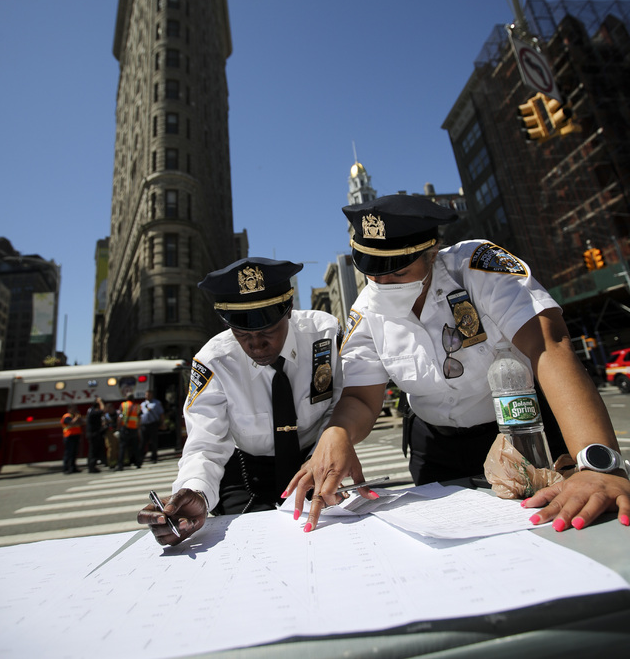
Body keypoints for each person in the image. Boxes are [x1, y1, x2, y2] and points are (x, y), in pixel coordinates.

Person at [287, 193, 630, 533]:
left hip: (520, 429)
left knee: (550, 528)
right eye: (372, 273)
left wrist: (598, 466)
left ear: (432, 253)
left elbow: (548, 346)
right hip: (436, 446)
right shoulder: (366, 310)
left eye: (400, 272)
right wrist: (338, 432)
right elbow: (361, 399)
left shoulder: (478, 266)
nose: (383, 284)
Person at [137, 257, 343, 546]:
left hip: (315, 459)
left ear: (288, 310)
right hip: (248, 472)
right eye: (242, 332)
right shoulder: (213, 362)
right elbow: (206, 444)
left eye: (267, 329)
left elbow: (339, 406)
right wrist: (194, 492)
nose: (255, 343)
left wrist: (325, 458)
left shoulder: (323, 336)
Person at [116, 392, 142, 470]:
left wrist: (118, 428)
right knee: (135, 447)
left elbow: (120, 417)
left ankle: (120, 465)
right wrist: (138, 427)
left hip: (125, 428)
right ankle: (138, 463)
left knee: (122, 447)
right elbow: (139, 418)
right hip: (134, 429)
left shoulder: (123, 405)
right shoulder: (137, 406)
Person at [140, 389, 164, 463]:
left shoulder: (156, 403)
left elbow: (161, 413)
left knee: (154, 441)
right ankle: (140, 457)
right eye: (146, 395)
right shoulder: (142, 404)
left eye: (149, 394)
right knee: (143, 441)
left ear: (152, 395)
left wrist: (163, 423)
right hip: (144, 425)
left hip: (153, 424)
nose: (147, 396)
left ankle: (154, 457)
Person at [85, 396, 106, 473]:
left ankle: (93, 465)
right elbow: (103, 410)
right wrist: (100, 402)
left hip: (94, 433)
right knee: (93, 451)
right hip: (93, 434)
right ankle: (91, 467)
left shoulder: (91, 410)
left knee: (95, 450)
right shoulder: (93, 411)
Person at [60, 405, 83, 474]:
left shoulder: (75, 416)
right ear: (69, 409)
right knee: (68, 453)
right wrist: (76, 417)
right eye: (74, 409)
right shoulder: (67, 416)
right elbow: (71, 423)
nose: (75, 410)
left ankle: (73, 467)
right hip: (69, 436)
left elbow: (81, 423)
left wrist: (79, 418)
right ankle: (66, 468)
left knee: (74, 453)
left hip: (76, 436)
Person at [103, 401, 120, 469]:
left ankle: (119, 461)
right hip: (109, 432)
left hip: (116, 431)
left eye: (110, 408)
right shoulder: (106, 416)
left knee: (118, 446)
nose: (109, 410)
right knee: (111, 447)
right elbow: (104, 424)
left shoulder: (117, 413)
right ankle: (111, 463)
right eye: (108, 409)